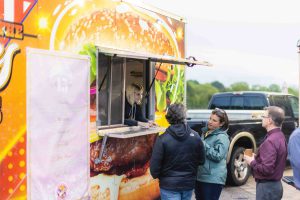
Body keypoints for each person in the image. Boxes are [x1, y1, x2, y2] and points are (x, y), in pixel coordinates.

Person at [150, 103, 205, 200]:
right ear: (184, 116)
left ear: (168, 117)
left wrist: (162, 178)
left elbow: (154, 169)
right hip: (188, 185)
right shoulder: (196, 136)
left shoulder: (162, 139)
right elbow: (202, 160)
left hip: (168, 186)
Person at [244, 106, 287, 200]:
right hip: (274, 186)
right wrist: (258, 158)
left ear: (270, 120)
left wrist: (251, 161)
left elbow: (267, 169)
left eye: (264, 116)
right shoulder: (280, 135)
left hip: (267, 188)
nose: (262, 119)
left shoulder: (270, 141)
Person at [195, 108, 230, 200]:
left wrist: (203, 144)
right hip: (201, 177)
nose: (210, 122)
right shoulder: (205, 132)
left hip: (212, 179)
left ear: (221, 124)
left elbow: (218, 156)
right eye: (210, 118)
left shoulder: (222, 137)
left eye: (214, 120)